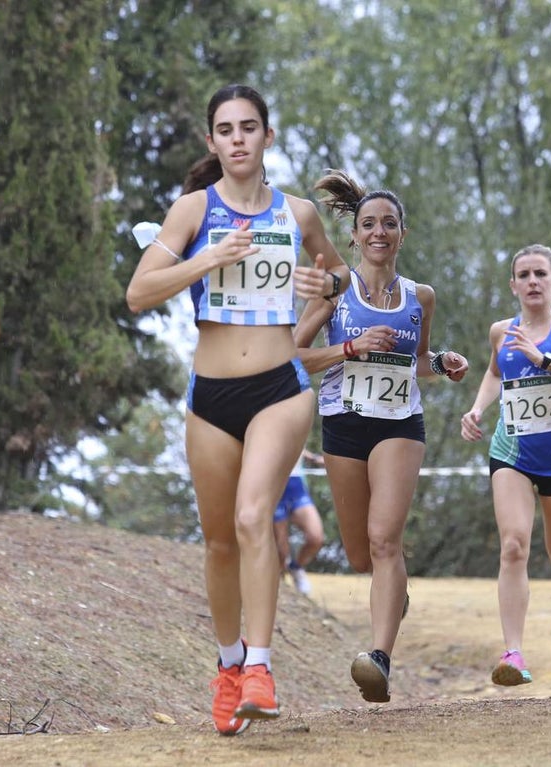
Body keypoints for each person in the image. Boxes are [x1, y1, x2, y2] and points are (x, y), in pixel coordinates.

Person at [125, 84, 348, 735]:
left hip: (280, 387)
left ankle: (260, 668)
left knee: (255, 517)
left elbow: (341, 278)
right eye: (226, 129)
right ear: (212, 141)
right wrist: (206, 260)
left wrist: (323, 285)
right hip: (211, 397)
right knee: (220, 540)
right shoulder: (193, 209)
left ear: (267, 136)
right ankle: (227, 667)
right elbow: (139, 292)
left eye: (249, 127)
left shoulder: (298, 213)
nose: (238, 139)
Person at [293, 169, 468, 703]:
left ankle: (379, 660)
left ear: (402, 234)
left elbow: (418, 361)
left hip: (399, 425)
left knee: (384, 540)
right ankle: (395, 594)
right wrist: (352, 347)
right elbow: (292, 357)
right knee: (359, 556)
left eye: (389, 223)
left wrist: (444, 362)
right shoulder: (337, 291)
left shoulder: (421, 297)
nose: (379, 232)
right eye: (369, 223)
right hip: (343, 424)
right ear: (354, 235)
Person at [460, 244, 551, 687]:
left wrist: (545, 360)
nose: (533, 282)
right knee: (513, 546)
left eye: (540, 274)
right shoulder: (501, 332)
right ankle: (513, 653)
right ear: (513, 286)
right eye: (523, 275)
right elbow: (494, 373)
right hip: (512, 452)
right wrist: (478, 408)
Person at [275, 449, 326, 595]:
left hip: (296, 484)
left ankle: (296, 568)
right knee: (281, 552)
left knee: (316, 538)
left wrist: (313, 457)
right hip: (273, 484)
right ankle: (280, 590)